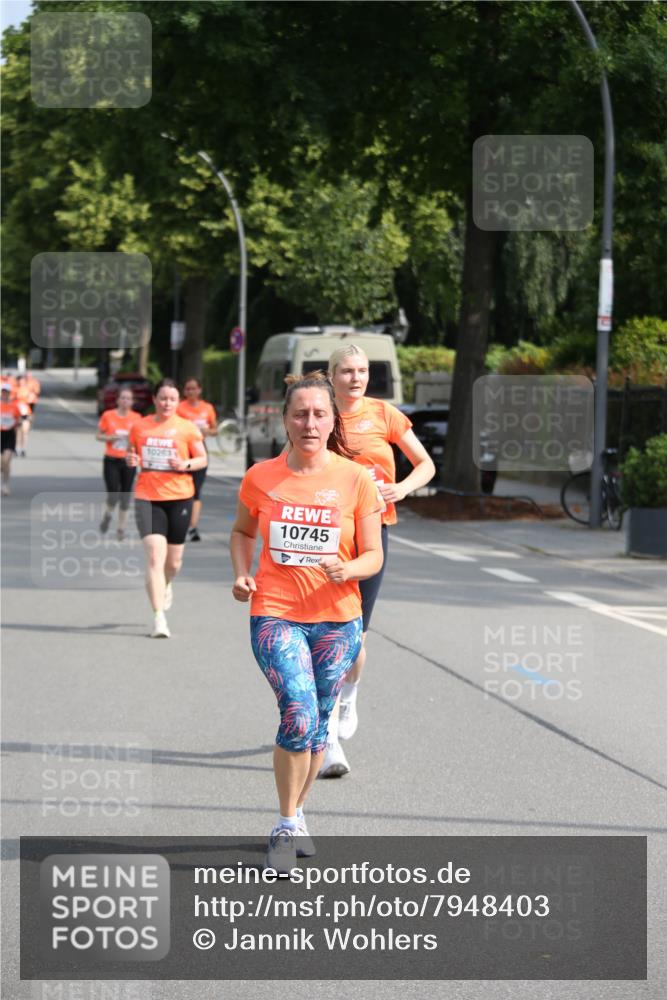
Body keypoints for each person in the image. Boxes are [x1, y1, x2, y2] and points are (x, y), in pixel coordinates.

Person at [230, 371, 383, 873]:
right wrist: (241, 573)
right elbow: (241, 530)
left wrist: (350, 567)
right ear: (285, 419)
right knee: (297, 713)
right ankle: (284, 821)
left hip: (338, 619)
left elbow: (374, 556)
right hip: (276, 613)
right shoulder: (261, 476)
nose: (310, 422)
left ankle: (298, 813)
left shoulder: (355, 479)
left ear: (332, 419)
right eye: (300, 413)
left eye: (319, 413)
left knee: (317, 727)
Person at [319, 343, 436, 777]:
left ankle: (350, 697)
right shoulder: (320, 415)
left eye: (363, 370)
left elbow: (425, 464)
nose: (356, 377)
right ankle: (328, 740)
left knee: (355, 637)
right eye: (347, 370)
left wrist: (401, 489)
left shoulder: (383, 414)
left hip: (372, 533)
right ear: (331, 375)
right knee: (328, 630)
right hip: (325, 535)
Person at [127, 378, 207, 638]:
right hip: (147, 497)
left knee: (173, 562)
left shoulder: (187, 428)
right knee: (154, 556)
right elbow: (132, 455)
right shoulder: (140, 427)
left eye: (172, 399)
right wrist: (131, 459)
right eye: (163, 398)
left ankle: (167, 582)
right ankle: (159, 617)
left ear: (177, 400)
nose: (167, 403)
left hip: (180, 497)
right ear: (154, 399)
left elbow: (201, 459)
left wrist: (183, 465)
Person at [96, 387, 141, 540]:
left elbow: (141, 439)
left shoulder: (137, 418)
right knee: (113, 494)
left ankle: (121, 528)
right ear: (117, 400)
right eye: (122, 398)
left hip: (128, 460)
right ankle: (108, 516)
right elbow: (98, 435)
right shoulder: (108, 416)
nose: (125, 401)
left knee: (126, 494)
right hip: (111, 460)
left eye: (128, 398)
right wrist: (110, 438)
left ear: (132, 402)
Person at [176, 377, 218, 541]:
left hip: (200, 452)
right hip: (183, 452)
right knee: (182, 489)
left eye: (194, 388)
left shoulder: (207, 408)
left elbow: (215, 429)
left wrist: (207, 431)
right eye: (188, 389)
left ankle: (193, 527)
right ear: (184, 391)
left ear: (199, 390)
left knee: (196, 491)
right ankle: (180, 521)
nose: (191, 392)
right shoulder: (179, 408)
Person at [1, 383, 22, 495]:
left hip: (9, 435)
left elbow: (19, 421)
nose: (4, 393)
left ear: (9, 393)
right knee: (1, 464)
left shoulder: (14, 406)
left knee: (6, 460)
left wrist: (17, 423)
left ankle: (5, 485)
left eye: (6, 392)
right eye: (3, 391)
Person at [13, 374, 33, 456]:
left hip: (26, 413)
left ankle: (23, 448)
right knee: (18, 432)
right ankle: (17, 448)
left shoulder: (28, 390)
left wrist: (31, 414)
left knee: (25, 431)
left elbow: (32, 403)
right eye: (20, 380)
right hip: (16, 413)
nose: (21, 382)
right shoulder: (14, 390)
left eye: (23, 380)